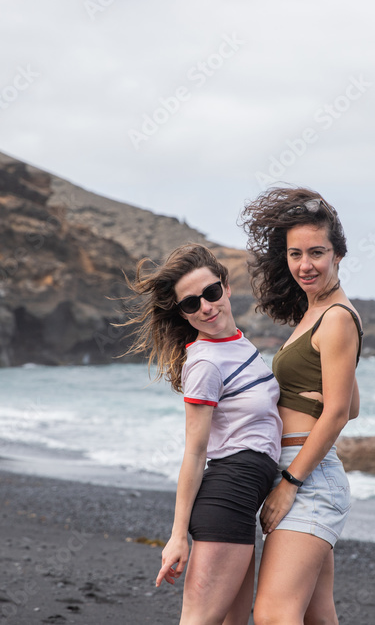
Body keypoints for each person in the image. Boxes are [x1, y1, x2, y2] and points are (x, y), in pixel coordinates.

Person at [119, 243, 282, 625]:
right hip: (229, 496)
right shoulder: (206, 362)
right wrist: (177, 537)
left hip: (243, 499)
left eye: (210, 293)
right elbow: (194, 453)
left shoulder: (239, 344)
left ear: (225, 287)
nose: (206, 307)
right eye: (191, 304)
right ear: (182, 314)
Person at [240, 188, 363, 625]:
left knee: (275, 614)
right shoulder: (318, 312)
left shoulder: (337, 318)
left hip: (306, 477)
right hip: (304, 468)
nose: (304, 264)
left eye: (316, 252)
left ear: (338, 255)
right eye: (295, 254)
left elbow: (335, 413)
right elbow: (350, 406)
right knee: (316, 615)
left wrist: (289, 481)